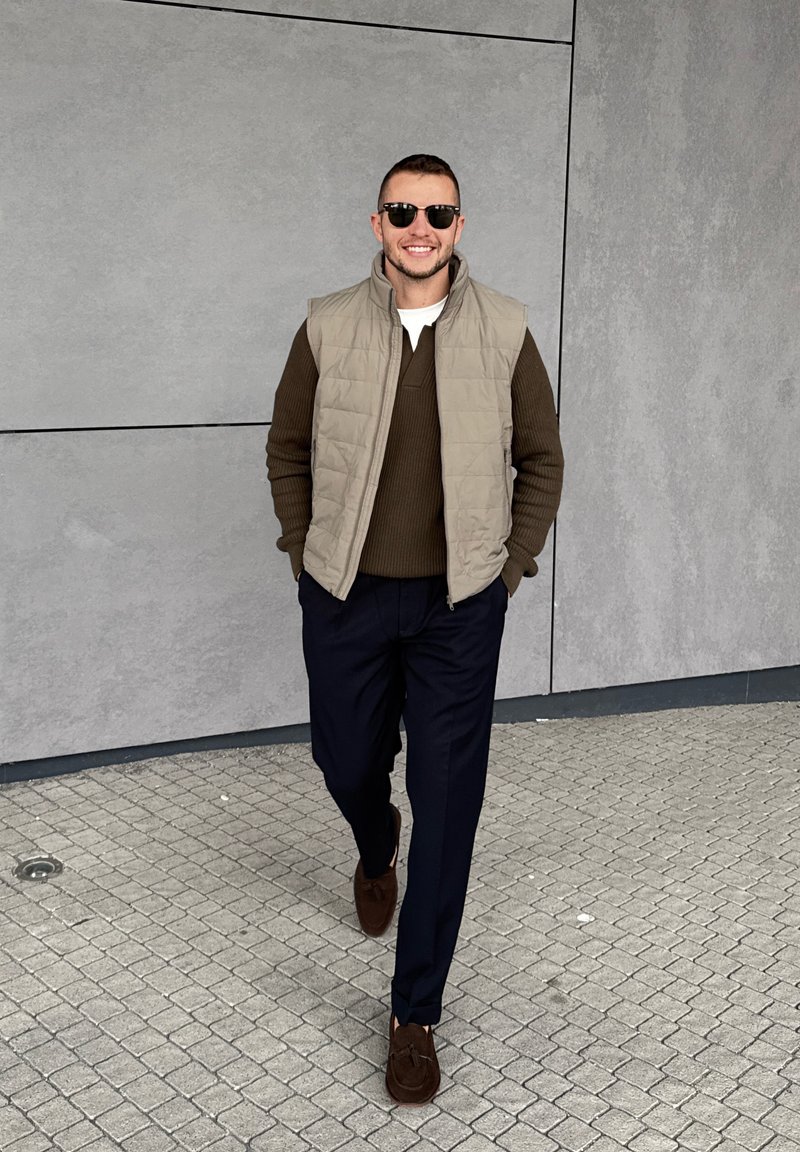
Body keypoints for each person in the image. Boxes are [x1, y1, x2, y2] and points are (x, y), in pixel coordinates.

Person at [266, 154, 563, 1104]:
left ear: (461, 225)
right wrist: (302, 548)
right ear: (378, 222)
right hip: (346, 595)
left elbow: (541, 459)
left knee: (453, 805)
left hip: (457, 609)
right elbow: (287, 447)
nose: (420, 227)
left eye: (438, 212)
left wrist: (506, 572)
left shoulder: (507, 329)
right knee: (343, 757)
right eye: (403, 211)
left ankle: (415, 1013)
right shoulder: (325, 324)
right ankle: (371, 839)